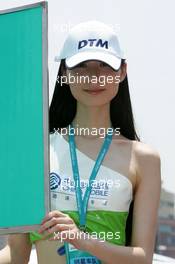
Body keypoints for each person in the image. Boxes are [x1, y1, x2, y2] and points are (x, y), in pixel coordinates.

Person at [0, 20, 161, 264]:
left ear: (122, 71)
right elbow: (17, 253)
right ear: (64, 73)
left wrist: (82, 239)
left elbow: (142, 258)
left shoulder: (144, 159)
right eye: (81, 66)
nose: (94, 77)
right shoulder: (35, 152)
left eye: (105, 66)